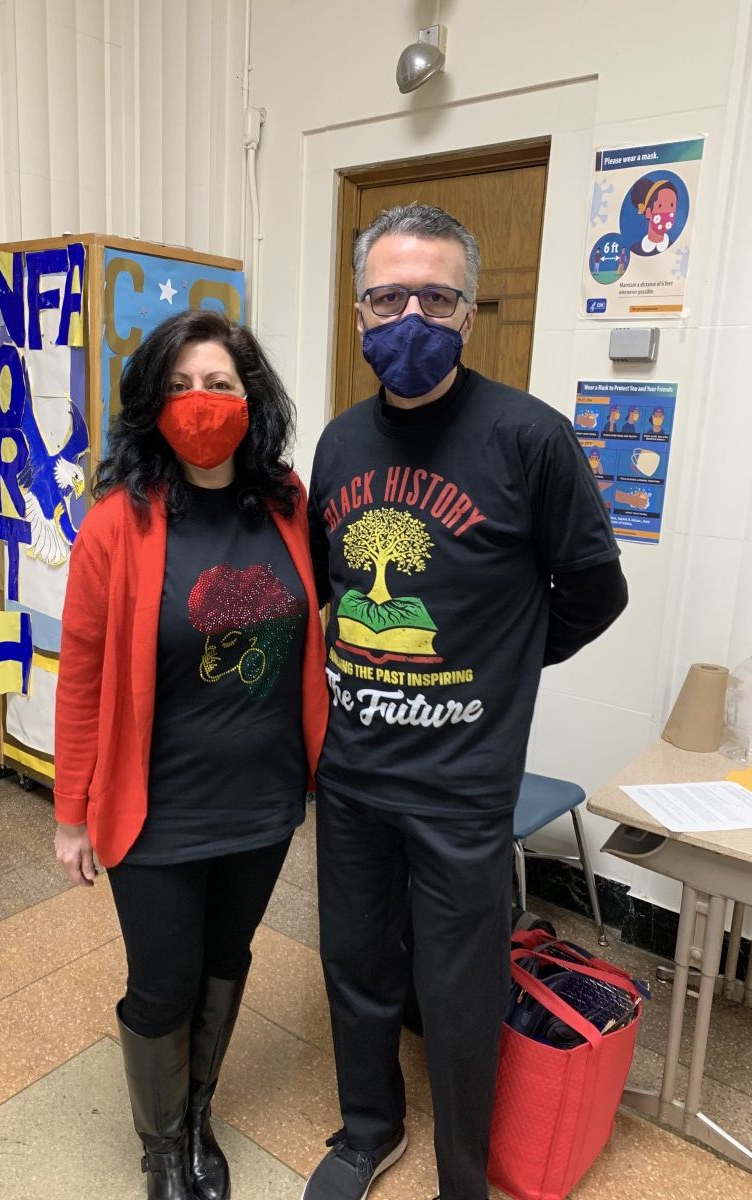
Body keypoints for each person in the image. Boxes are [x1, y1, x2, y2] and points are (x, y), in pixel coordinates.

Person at [303, 204, 628, 1200]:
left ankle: (463, 1174)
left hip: (462, 787)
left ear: (469, 311)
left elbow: (595, 590)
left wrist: (505, 665)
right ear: (359, 311)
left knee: (457, 989)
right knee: (356, 962)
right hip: (353, 774)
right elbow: (329, 587)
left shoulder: (529, 437)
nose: (412, 315)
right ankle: (368, 1130)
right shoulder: (340, 442)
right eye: (389, 296)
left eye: (435, 296)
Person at [53, 309, 327, 1200]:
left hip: (264, 795)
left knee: (227, 960)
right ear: (150, 402)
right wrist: (71, 811)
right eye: (178, 385)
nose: (199, 402)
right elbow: (83, 676)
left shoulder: (286, 502)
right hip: (158, 806)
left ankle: (197, 1115)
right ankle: (162, 1148)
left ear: (252, 400)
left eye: (219, 384)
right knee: (162, 983)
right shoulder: (116, 523)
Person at [629, 177, 679, 256]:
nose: (667, 211)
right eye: (660, 206)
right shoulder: (635, 250)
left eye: (672, 205)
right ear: (648, 212)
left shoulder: (675, 248)